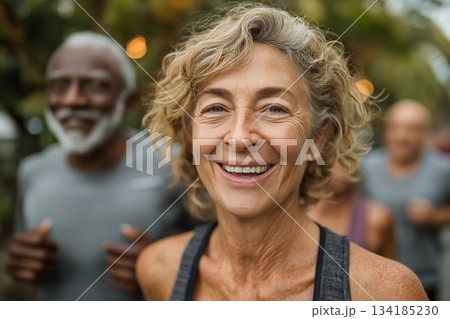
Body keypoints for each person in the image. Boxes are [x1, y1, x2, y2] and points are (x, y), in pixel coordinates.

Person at [136, 4, 427, 301]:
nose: (239, 138)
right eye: (216, 108)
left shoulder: (387, 292)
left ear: (319, 137)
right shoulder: (159, 270)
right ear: (190, 135)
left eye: (275, 108)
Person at [6, 32, 190, 301]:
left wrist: (165, 269)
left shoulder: (174, 163)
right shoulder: (33, 171)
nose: (72, 100)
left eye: (94, 86)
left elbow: (226, 263)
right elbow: (25, 259)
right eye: (59, 86)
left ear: (126, 102)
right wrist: (20, 264)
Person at [362, 100, 450, 300]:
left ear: (425, 133)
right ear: (387, 131)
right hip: (373, 277)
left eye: (412, 129)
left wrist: (435, 217)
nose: (402, 136)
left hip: (424, 278)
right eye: (396, 128)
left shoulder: (443, 169)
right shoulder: (366, 167)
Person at [307, 164, 396, 259]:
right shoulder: (301, 216)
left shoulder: (377, 219)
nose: (339, 172)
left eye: (345, 162)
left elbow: (391, 268)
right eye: (332, 162)